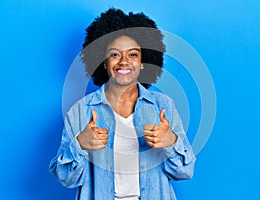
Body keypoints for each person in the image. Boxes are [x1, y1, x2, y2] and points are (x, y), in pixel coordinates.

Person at [49, 8, 196, 200]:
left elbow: (185, 172)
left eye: (133, 55)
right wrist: (80, 144)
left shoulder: (163, 106)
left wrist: (171, 141)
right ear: (103, 61)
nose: (124, 62)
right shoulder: (80, 111)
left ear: (144, 62)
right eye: (115, 54)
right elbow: (65, 178)